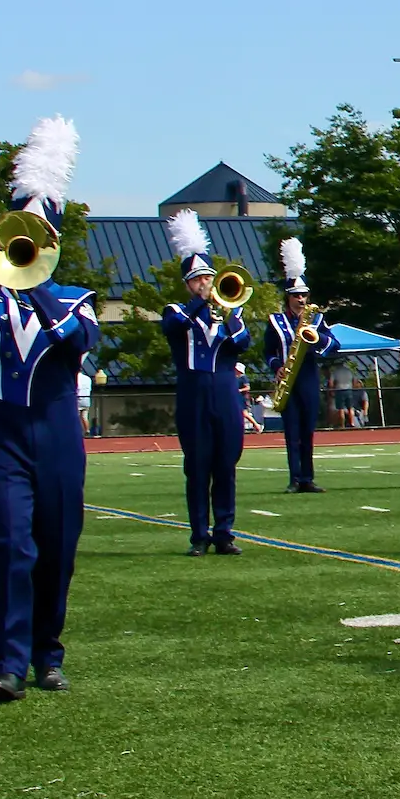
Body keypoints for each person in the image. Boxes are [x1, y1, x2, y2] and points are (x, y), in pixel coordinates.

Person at [0, 116, 100, 702]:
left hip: (59, 440)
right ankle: (7, 662)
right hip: (4, 439)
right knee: (12, 544)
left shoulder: (75, 299)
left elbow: (78, 344)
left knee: (57, 550)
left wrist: (33, 281)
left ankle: (48, 653)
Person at [159, 210, 250, 555]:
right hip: (194, 396)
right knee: (197, 467)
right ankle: (199, 535)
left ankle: (224, 532)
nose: (205, 284)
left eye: (208, 278)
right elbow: (174, 327)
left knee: (226, 464)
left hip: (226, 395)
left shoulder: (231, 314)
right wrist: (200, 304)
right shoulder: (177, 311)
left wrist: (226, 311)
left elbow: (243, 342)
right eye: (198, 279)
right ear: (187, 284)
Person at [263, 237, 341, 496]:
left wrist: (317, 338)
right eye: (296, 296)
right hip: (288, 379)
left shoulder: (316, 320)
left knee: (307, 430)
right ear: (288, 297)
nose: (301, 300)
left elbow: (334, 346)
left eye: (304, 295)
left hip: (308, 377)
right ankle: (295, 478)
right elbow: (268, 352)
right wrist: (277, 366)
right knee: (292, 431)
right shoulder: (275, 321)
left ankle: (308, 477)